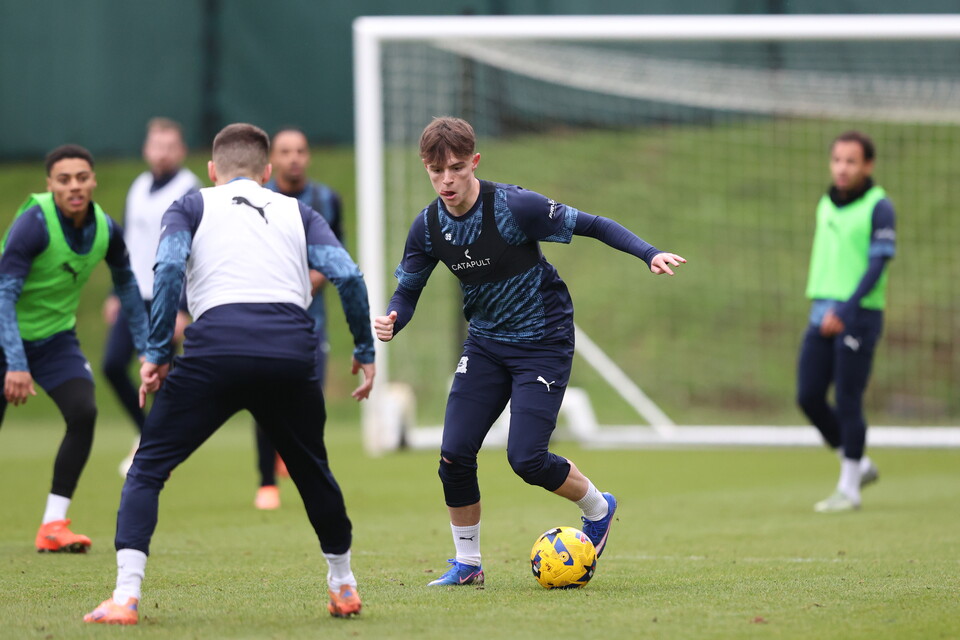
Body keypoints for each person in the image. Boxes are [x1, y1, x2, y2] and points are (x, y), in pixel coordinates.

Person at [83, 123, 376, 625]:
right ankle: (343, 585)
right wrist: (365, 348)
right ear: (267, 173)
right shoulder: (298, 209)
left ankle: (125, 597)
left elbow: (168, 269)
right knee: (313, 473)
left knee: (148, 469)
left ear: (213, 171)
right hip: (290, 354)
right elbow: (347, 273)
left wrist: (156, 352)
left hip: (214, 351)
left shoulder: (191, 205)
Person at [373, 117, 685, 586]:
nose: (447, 180)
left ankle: (599, 508)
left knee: (527, 460)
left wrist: (649, 253)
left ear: (474, 162)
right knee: (454, 455)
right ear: (426, 168)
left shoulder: (515, 207)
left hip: (543, 340)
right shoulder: (429, 226)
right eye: (436, 171)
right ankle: (468, 565)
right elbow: (408, 291)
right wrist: (394, 318)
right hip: (485, 344)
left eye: (456, 168)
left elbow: (593, 224)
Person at [0, 144, 149, 552]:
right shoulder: (34, 224)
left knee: (83, 411)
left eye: (81, 177)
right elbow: (4, 296)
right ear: (50, 185)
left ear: (93, 181)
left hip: (54, 339)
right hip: (4, 331)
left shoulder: (105, 228)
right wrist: (14, 363)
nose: (74, 186)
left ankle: (52, 525)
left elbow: (128, 288)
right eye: (64, 180)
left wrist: (148, 348)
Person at [797, 130, 895, 514]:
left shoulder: (879, 206)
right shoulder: (826, 201)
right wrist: (827, 307)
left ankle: (849, 487)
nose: (842, 168)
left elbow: (877, 263)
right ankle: (860, 464)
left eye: (851, 161)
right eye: (837, 159)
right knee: (808, 395)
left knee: (848, 399)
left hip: (859, 314)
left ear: (867, 165)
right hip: (822, 310)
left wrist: (847, 309)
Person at [253, 127, 345, 510]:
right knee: (262, 398)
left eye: (301, 151)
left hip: (311, 321)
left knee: (307, 400)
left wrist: (310, 281)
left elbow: (337, 252)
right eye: (286, 151)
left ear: (308, 156)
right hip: (264, 316)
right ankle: (266, 482)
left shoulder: (326, 199)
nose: (294, 158)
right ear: (272, 158)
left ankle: (304, 470)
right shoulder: (258, 200)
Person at [103, 118, 200, 477]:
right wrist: (116, 291)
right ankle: (149, 436)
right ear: (146, 149)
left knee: (159, 374)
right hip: (134, 296)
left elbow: (194, 250)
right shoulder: (139, 185)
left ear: (182, 150)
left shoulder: (190, 188)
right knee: (113, 365)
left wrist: (183, 307)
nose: (162, 152)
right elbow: (128, 243)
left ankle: (153, 447)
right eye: (156, 145)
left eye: (169, 146)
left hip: (166, 298)